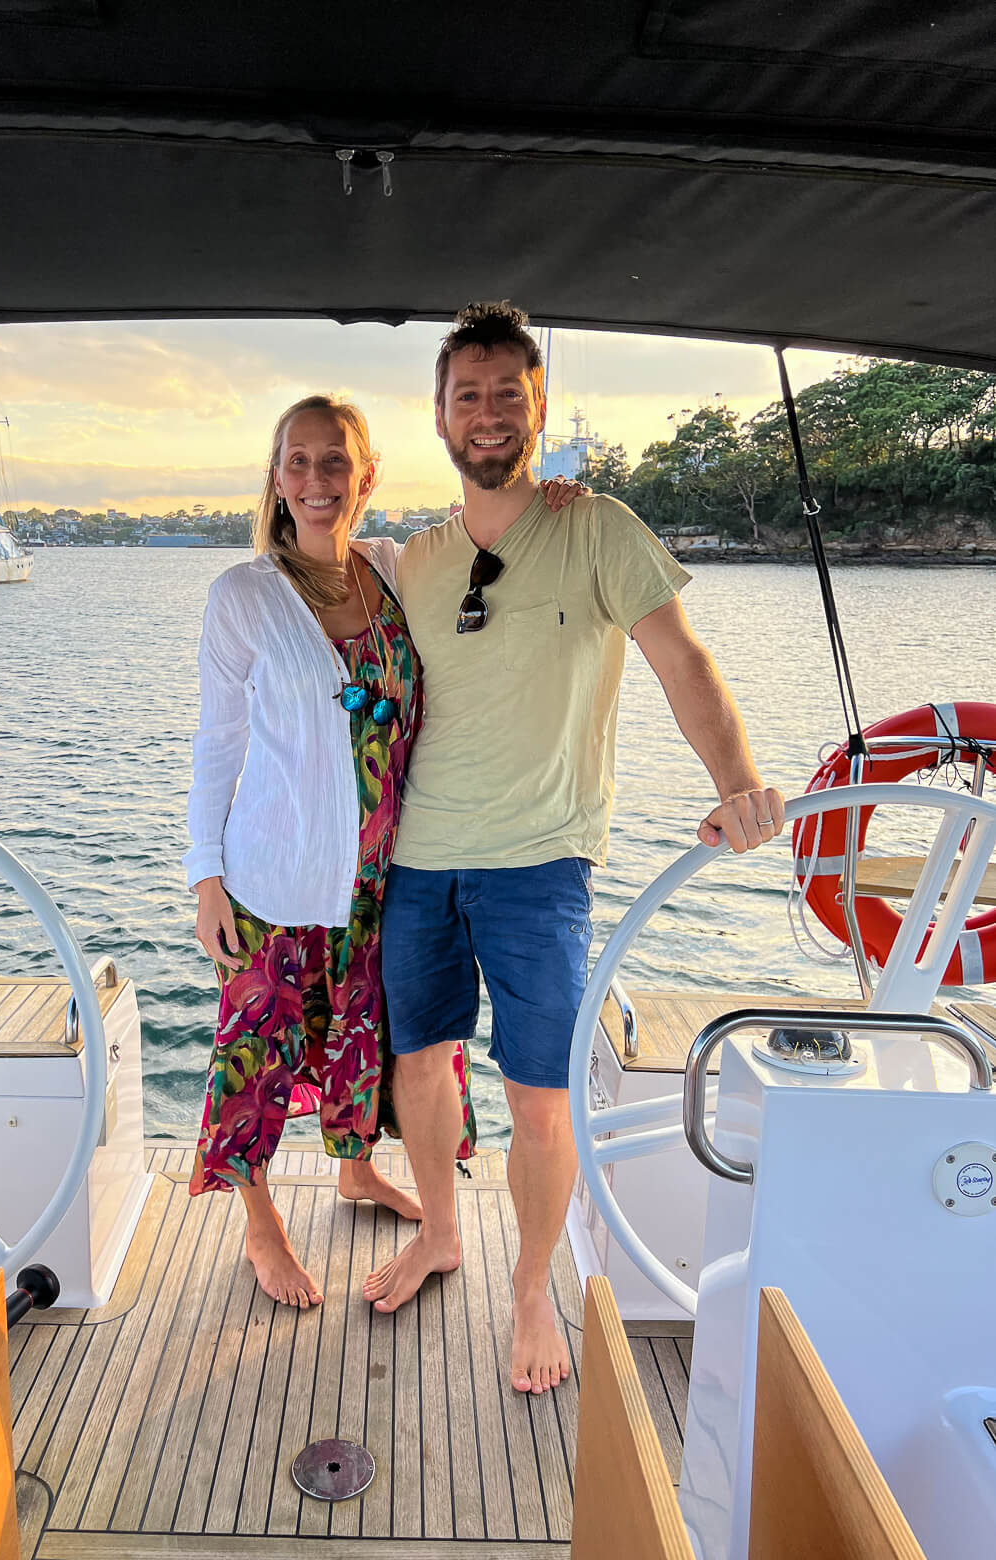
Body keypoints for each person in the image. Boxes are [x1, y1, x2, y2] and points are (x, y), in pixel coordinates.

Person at [364, 302, 785, 1394]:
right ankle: (445, 1232)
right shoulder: (415, 557)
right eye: (469, 395)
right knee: (420, 1064)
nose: (489, 412)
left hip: (544, 862)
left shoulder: (597, 526)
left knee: (540, 1095)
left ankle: (532, 1287)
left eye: (509, 393)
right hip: (418, 857)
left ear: (538, 408)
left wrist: (737, 785)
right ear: (441, 415)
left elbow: (682, 662)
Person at [183, 393, 580, 1307]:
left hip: (388, 875)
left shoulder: (399, 569)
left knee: (375, 1039)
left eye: (335, 462)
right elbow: (217, 742)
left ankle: (355, 1173)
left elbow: (500, 553)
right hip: (274, 878)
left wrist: (546, 501)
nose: (316, 480)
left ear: (365, 476)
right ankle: (260, 1224)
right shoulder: (243, 595)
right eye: (298, 461)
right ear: (277, 477)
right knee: (258, 1053)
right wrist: (205, 873)